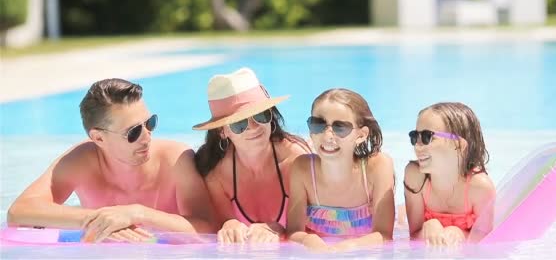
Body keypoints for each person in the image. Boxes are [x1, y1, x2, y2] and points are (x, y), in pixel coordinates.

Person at [7, 78, 217, 243]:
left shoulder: (175, 159)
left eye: (149, 123)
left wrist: (136, 214)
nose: (147, 136)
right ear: (98, 137)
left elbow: (207, 228)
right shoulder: (80, 161)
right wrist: (100, 222)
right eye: (133, 132)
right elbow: (20, 212)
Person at [193, 67, 310, 244]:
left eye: (261, 115)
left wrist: (278, 229)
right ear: (222, 131)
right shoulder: (217, 175)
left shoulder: (295, 161)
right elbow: (221, 223)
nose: (254, 127)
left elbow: (314, 227)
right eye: (239, 123)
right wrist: (229, 224)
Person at [286, 88, 395, 252]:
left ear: (361, 135)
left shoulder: (377, 167)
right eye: (318, 124)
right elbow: (293, 232)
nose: (328, 135)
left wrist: (348, 247)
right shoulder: (303, 169)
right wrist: (309, 240)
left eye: (340, 128)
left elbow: (384, 235)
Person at [403, 102, 496, 246]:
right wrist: (428, 227)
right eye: (415, 136)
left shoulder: (479, 188)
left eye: (428, 137)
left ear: (458, 145)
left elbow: (485, 240)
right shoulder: (415, 177)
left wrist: (461, 234)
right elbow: (414, 235)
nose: (417, 145)